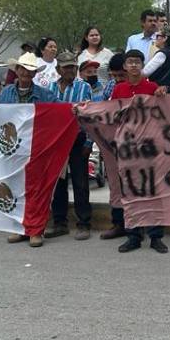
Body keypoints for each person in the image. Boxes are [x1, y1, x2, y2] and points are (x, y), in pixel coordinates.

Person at [103, 49, 168, 253]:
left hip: (149, 147)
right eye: (130, 62)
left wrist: (162, 93)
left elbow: (163, 114)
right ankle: (134, 235)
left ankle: (156, 236)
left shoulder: (152, 87)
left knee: (153, 191)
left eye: (137, 62)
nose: (133, 66)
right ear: (124, 66)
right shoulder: (119, 89)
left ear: (142, 65)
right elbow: (110, 113)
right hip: (127, 148)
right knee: (129, 192)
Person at [45, 52, 94, 243]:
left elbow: (90, 116)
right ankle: (60, 223)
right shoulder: (49, 88)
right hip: (57, 140)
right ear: (58, 69)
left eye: (73, 66)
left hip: (78, 138)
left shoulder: (84, 87)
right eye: (66, 67)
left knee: (81, 182)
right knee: (59, 183)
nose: (70, 70)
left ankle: (84, 223)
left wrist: (89, 141)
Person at [142, 28, 170, 92]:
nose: (155, 39)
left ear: (165, 38)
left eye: (157, 36)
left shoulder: (162, 54)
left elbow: (144, 73)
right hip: (169, 92)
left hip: (159, 93)